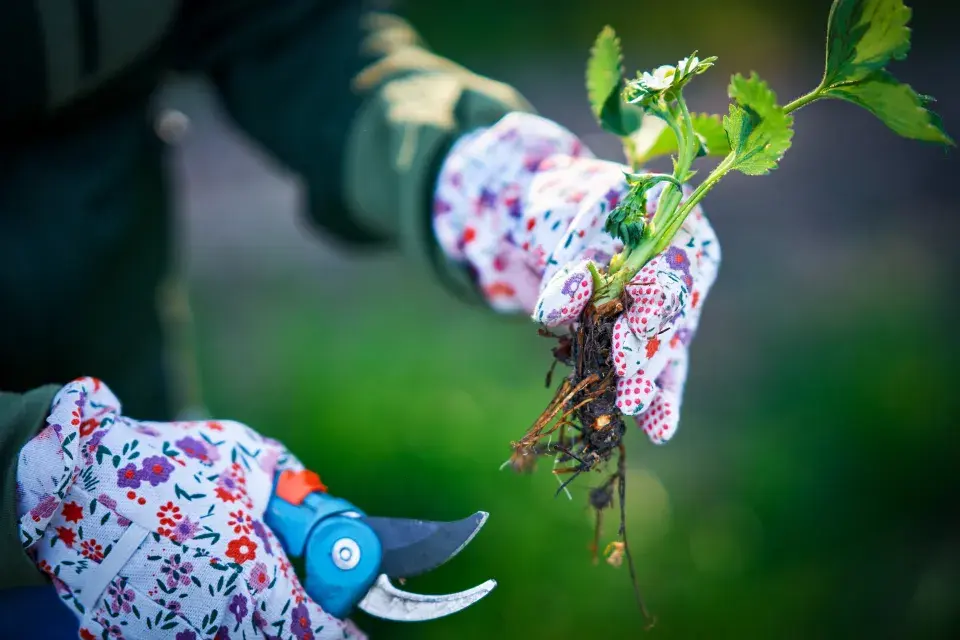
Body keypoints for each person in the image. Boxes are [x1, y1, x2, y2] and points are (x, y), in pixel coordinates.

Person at [0, 2, 720, 638]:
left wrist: (486, 174)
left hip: (151, 495)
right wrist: (32, 477)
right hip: (88, 501)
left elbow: (282, 26)